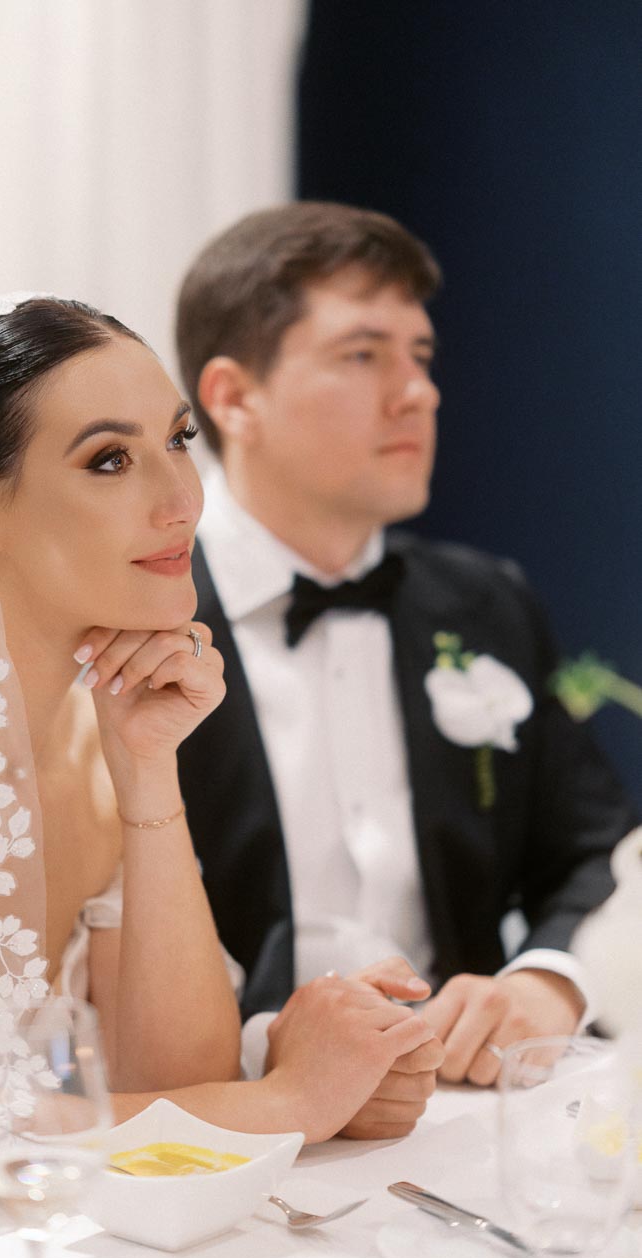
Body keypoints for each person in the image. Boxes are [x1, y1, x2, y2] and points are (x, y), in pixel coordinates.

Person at [0, 293, 439, 1258]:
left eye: (178, 442)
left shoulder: (100, 724)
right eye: (110, 459)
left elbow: (173, 1076)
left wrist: (147, 772)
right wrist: (289, 1099)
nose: (181, 500)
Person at [174, 202, 639, 1112]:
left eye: (420, 356)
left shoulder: (487, 602)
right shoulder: (131, 613)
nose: (417, 391)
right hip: (215, 1122)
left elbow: (592, 849)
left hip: (461, 1117)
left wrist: (546, 981)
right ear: (233, 397)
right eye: (363, 354)